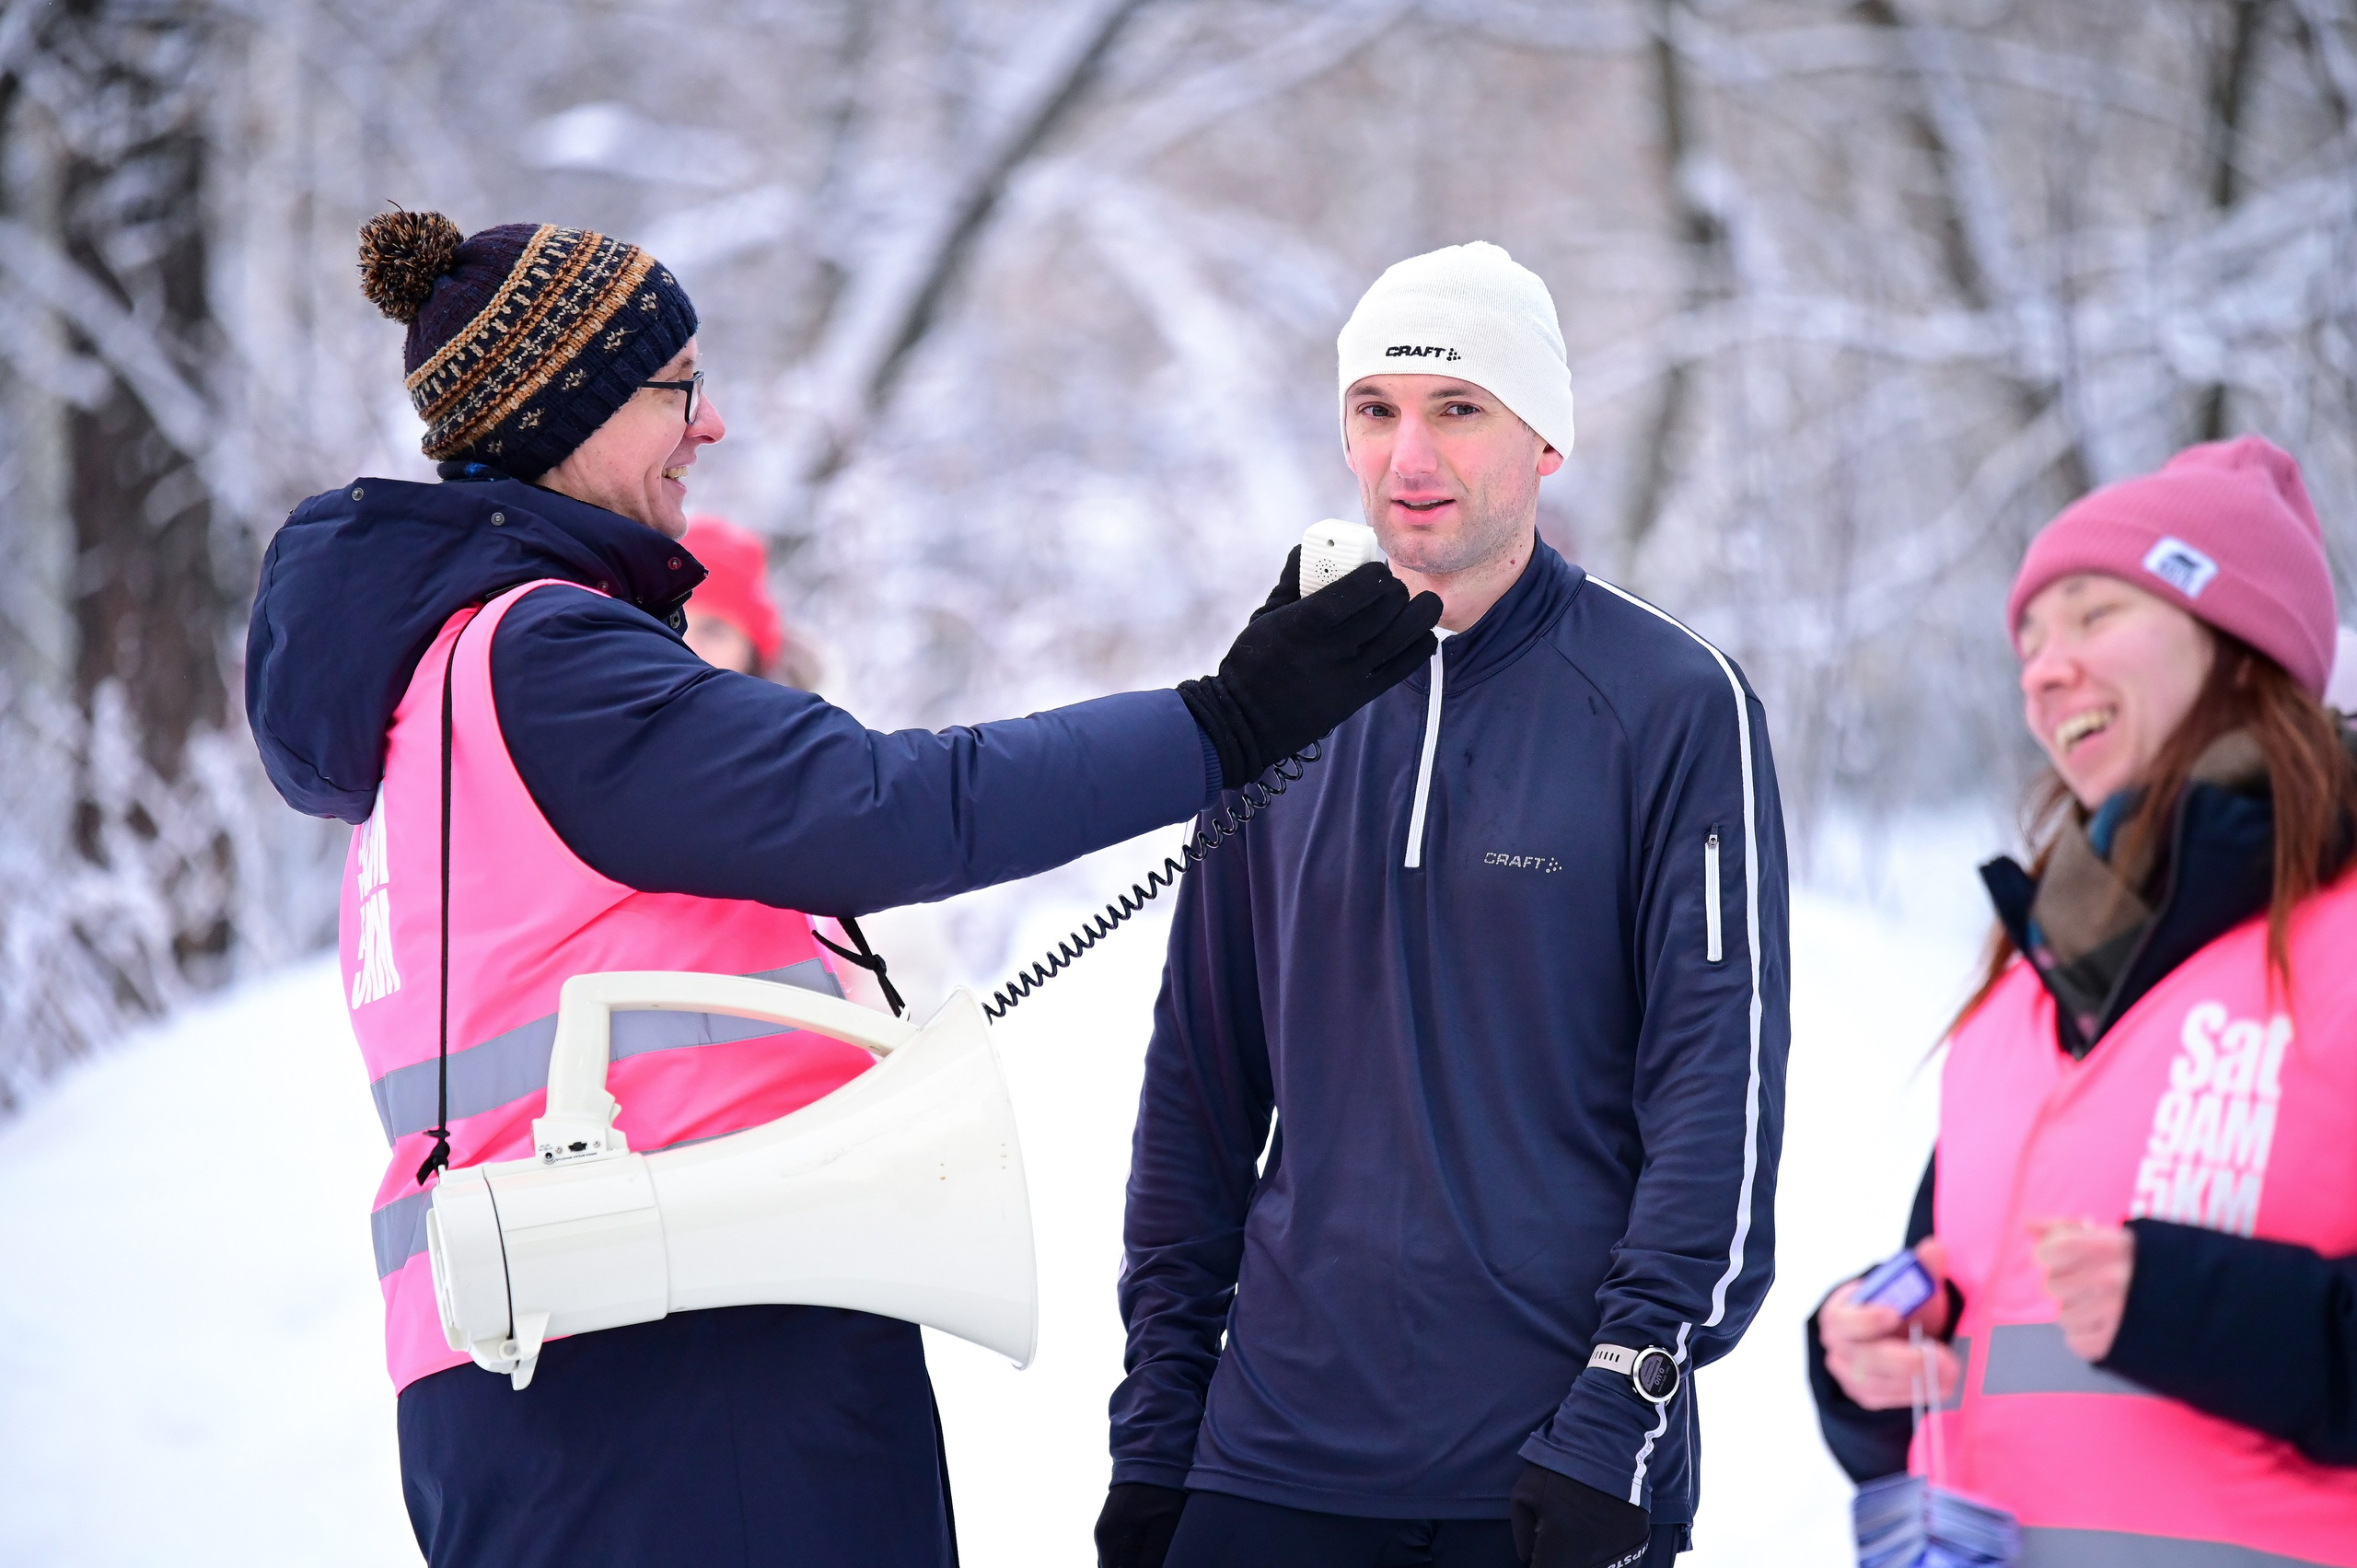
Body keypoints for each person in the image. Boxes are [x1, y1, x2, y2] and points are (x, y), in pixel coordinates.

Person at [243, 210, 1442, 1568]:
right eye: (677, 387)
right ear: (565, 408)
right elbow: (894, 806)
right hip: (685, 1352)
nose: (711, 426)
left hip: (548, 1358)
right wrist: (1232, 718)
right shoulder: (546, 661)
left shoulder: (427, 711)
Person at [1094, 242, 1792, 1568]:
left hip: (1546, 1472)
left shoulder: (1672, 701)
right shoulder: (1276, 699)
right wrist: (1156, 1424)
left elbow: (1718, 1099)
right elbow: (1198, 1088)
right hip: (1269, 1457)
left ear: (1545, 443)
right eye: (1377, 410)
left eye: (1457, 409)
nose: (1409, 455)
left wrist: (1620, 1404)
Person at [1809, 436, 2357, 1562]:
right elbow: (1968, 1315)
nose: (2043, 668)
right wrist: (1868, 1365)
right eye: (2028, 639)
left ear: (2237, 641)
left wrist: (2199, 1310)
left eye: (2094, 615)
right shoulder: (2023, 986)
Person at [678, 514, 827, 690]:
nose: (685, 648)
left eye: (712, 631)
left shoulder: (798, 715)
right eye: (667, 626)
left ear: (751, 652)